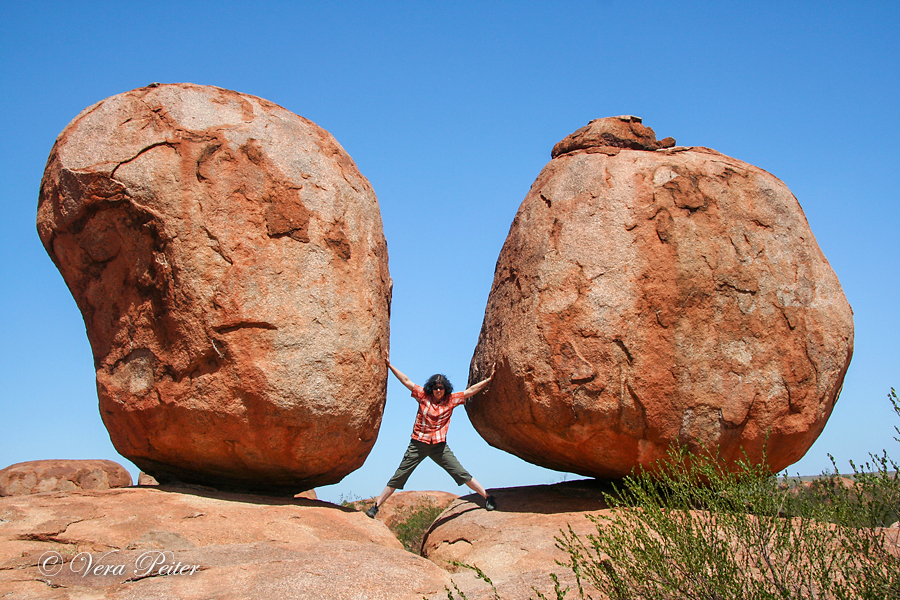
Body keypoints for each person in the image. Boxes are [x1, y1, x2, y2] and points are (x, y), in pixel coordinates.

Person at [365, 359, 496, 518]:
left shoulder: (451, 399)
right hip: (417, 445)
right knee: (399, 475)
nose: (438, 390)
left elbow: (470, 391)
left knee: (460, 472)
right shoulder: (423, 396)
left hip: (439, 447)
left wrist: (489, 380)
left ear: (445, 388)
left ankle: (487, 497)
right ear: (431, 389)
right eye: (435, 388)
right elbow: (406, 381)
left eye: (441, 388)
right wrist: (389, 365)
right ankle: (376, 507)